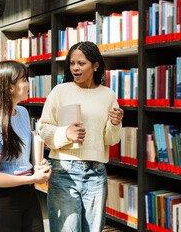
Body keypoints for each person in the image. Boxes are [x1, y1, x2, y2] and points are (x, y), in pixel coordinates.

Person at [38, 41, 124, 231]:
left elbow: (111, 140)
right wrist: (65, 134)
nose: (75, 68)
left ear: (95, 65)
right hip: (64, 172)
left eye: (81, 63)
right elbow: (43, 128)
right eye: (72, 63)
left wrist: (115, 124)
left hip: (96, 173)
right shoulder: (60, 91)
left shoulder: (108, 95)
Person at [0, 61, 51, 232]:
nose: (28, 84)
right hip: (5, 201)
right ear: (10, 87)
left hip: (29, 195)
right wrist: (33, 179)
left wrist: (39, 165)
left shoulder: (23, 113)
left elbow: (23, 155)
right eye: (24, 79)